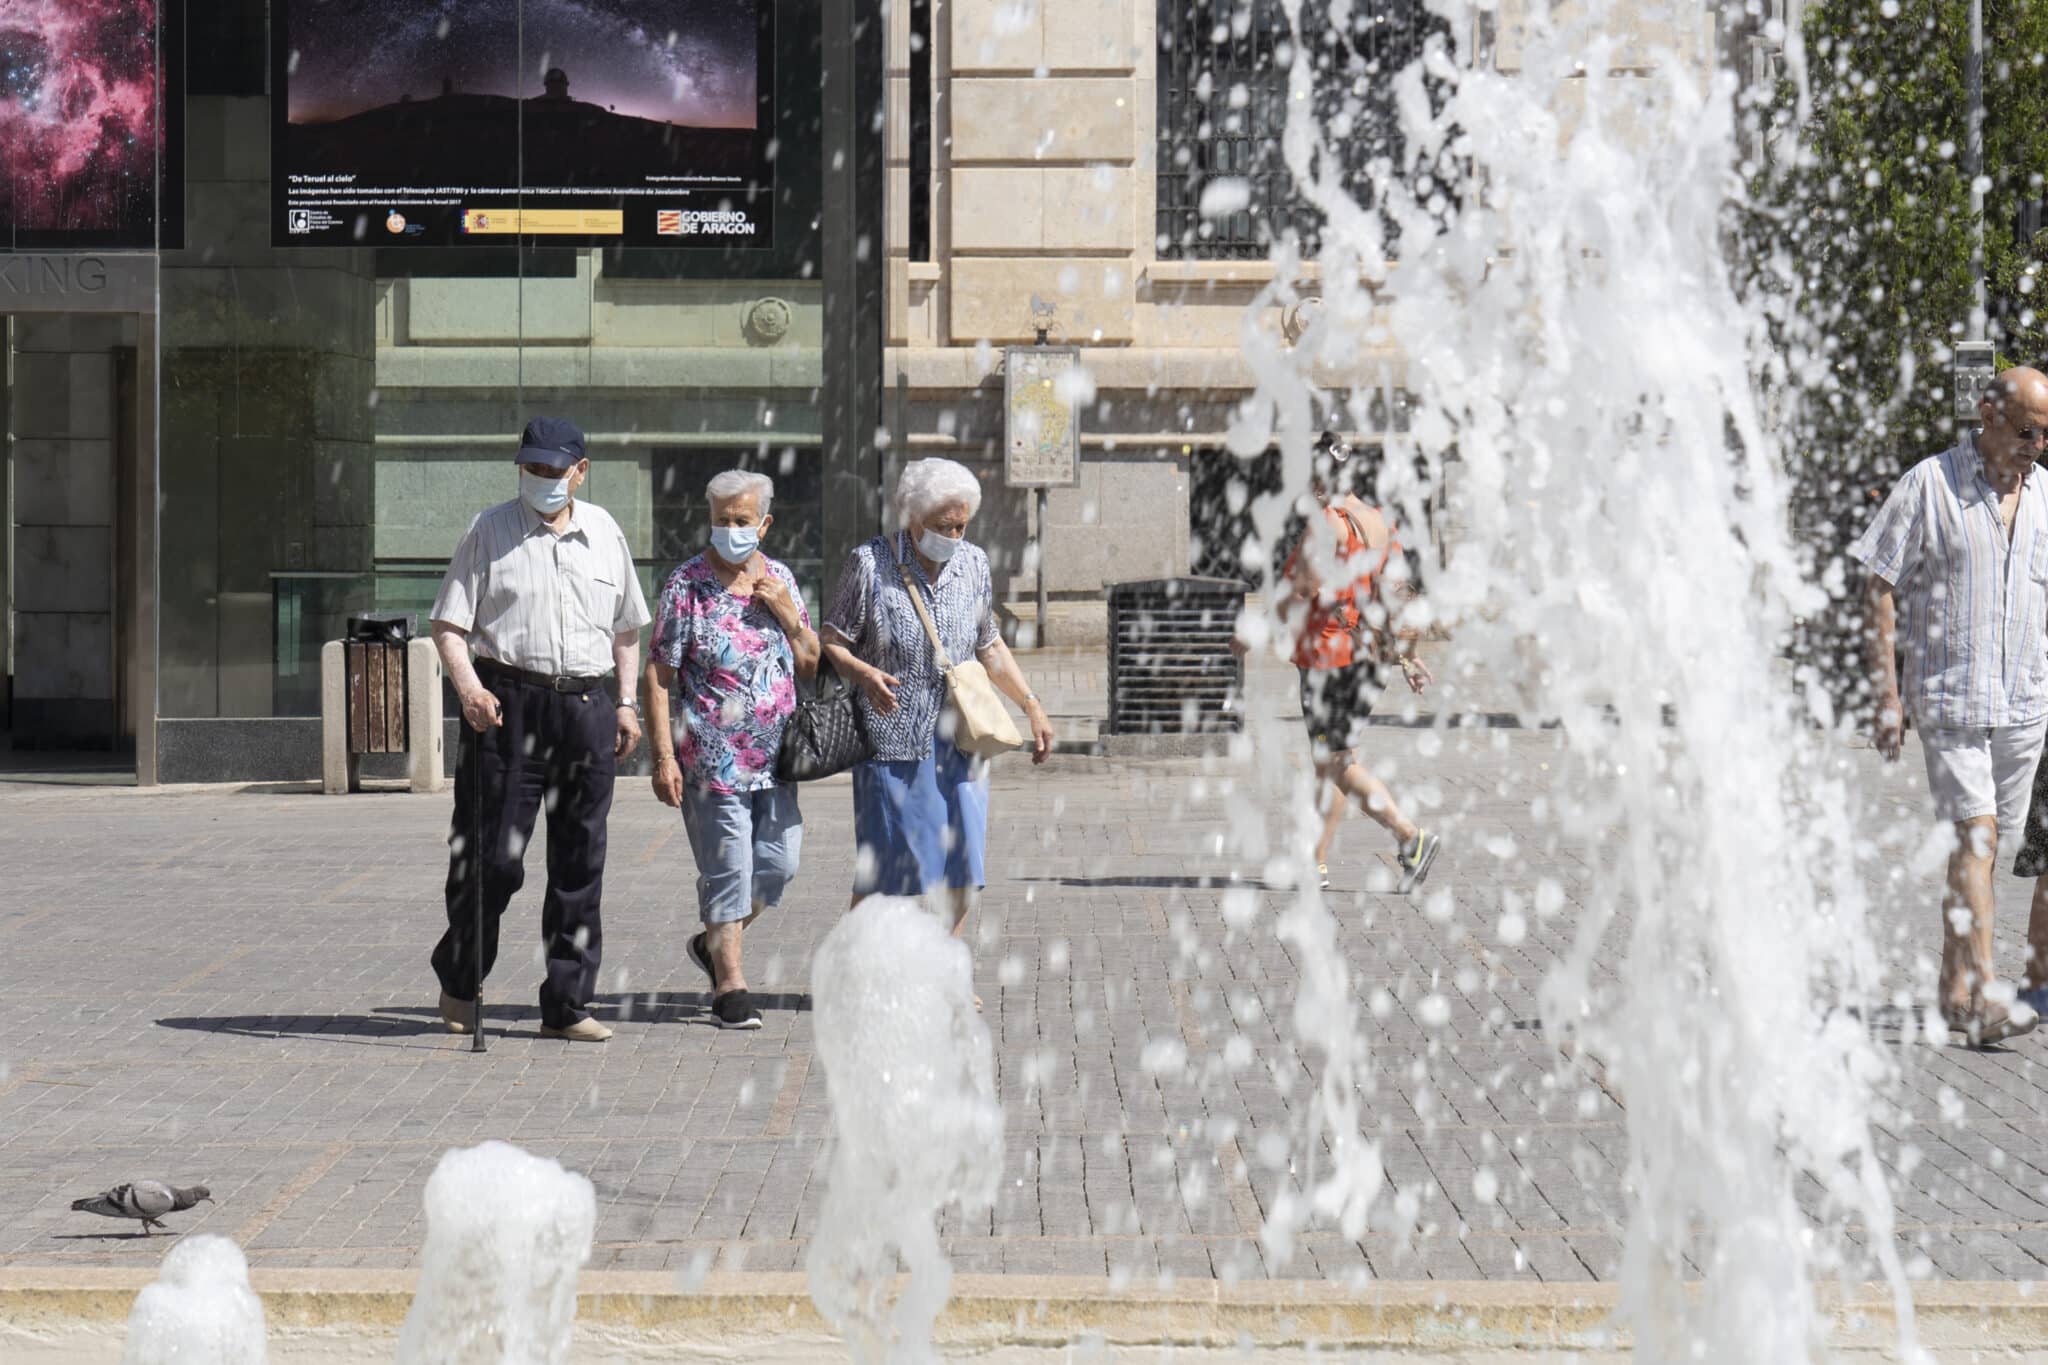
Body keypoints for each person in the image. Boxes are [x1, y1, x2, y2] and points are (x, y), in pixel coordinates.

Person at [428, 416, 651, 1042]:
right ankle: (461, 973)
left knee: (581, 860)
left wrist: (627, 703)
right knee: (493, 857)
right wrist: (469, 689)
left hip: (586, 705)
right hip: (508, 704)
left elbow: (627, 627)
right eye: (534, 469)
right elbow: (449, 624)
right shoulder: (489, 530)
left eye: (556, 471)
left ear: (580, 472)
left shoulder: (604, 531)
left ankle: (568, 1002)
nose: (544, 480)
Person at [1858, 367, 2048, 1047]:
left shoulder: (2046, 498)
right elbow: (1877, 581)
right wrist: (1886, 691)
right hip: (1950, 699)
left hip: (2024, 704)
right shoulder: (1930, 484)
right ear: (1988, 414)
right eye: (2028, 429)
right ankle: (1991, 993)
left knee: (1985, 852)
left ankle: (1953, 984)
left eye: (2047, 434)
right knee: (1977, 837)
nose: (2038, 445)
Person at [820, 457, 1055, 944]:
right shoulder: (869, 563)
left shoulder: (973, 562)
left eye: (961, 524)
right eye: (942, 525)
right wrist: (864, 673)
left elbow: (988, 643)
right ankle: (855, 961)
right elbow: (833, 640)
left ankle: (946, 970)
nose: (952, 534)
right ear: (912, 516)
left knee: (962, 864)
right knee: (891, 869)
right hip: (891, 740)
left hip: (963, 737)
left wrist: (1030, 703)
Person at [642, 470, 819, 1030]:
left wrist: (789, 615)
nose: (731, 530)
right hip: (712, 761)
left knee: (777, 865)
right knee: (729, 872)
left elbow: (813, 662)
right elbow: (660, 674)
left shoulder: (782, 578)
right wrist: (663, 755)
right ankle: (731, 985)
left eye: (742, 521)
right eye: (722, 520)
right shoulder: (686, 585)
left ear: (764, 524)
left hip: (778, 759)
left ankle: (716, 940)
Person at [1262, 432, 1438, 893]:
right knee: (1333, 759)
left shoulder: (1326, 523)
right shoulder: (1379, 522)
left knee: (1337, 763)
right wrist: (1408, 655)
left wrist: (1255, 631)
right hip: (1364, 662)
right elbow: (1400, 595)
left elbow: (1298, 591)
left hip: (1327, 661)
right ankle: (1315, 862)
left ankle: (1410, 837)